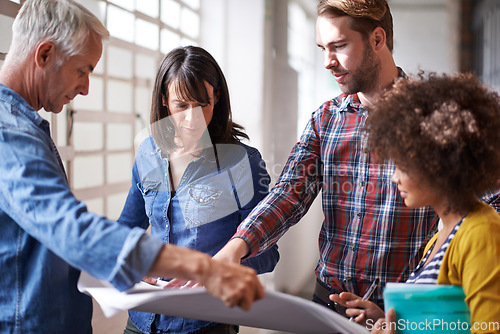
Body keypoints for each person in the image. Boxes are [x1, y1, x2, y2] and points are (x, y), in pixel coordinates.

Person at [215, 0, 500, 315]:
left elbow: (490, 200)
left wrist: (437, 288)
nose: (328, 61)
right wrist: (236, 247)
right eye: (322, 48)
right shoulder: (325, 119)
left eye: (339, 45)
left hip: (402, 312)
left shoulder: (433, 116)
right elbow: (290, 192)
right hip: (329, 303)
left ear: (378, 39)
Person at [0, 1, 264, 333]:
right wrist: (203, 269)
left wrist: (224, 264)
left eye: (203, 104)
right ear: (44, 55)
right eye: (83, 70)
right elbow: (72, 227)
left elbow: (265, 242)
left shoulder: (28, 128)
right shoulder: (9, 134)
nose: (85, 88)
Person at [118, 45, 280, 334]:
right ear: (164, 101)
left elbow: (268, 251)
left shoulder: (243, 162)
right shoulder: (147, 153)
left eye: (202, 104)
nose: (193, 119)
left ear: (216, 98)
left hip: (206, 321)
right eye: (182, 105)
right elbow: (126, 229)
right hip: (143, 317)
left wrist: (219, 271)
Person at [331, 72, 500, 334]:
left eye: (401, 165)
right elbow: (447, 323)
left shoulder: (481, 233)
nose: (394, 177)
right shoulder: (443, 235)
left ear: (439, 163)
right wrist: (385, 318)